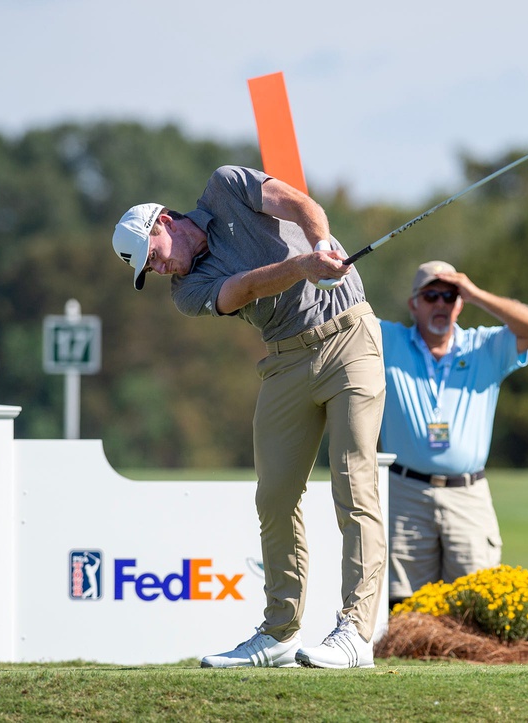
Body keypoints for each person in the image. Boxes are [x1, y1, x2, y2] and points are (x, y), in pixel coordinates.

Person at [111, 166, 385, 669]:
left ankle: (355, 633)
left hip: (350, 339)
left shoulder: (224, 186)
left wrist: (321, 243)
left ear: (163, 223)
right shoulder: (187, 292)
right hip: (284, 360)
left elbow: (298, 203)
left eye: (154, 258)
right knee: (275, 495)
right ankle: (280, 631)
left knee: (353, 480)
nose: (160, 271)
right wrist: (304, 265)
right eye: (149, 272)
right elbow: (241, 290)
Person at [378, 260, 528, 606]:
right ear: (413, 304)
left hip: (467, 492)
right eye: (431, 295)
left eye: (450, 295)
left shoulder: (483, 346)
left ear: (460, 303)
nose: (441, 304)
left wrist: (476, 294)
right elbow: (344, 318)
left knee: (477, 603)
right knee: (403, 606)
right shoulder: (388, 340)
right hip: (405, 491)